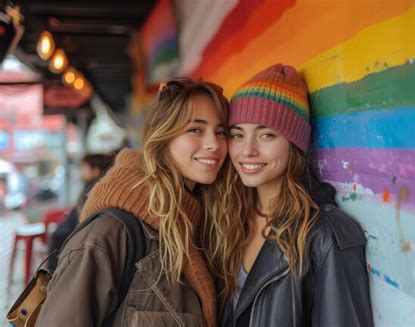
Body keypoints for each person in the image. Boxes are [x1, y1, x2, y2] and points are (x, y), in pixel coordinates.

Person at [36, 78, 229, 327]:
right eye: (195, 129)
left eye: (221, 132)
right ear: (162, 136)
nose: (214, 143)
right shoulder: (111, 234)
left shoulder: (200, 227)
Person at [202, 64, 373, 326]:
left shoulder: (327, 236)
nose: (247, 150)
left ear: (294, 143)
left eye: (266, 135)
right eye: (237, 134)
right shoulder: (230, 217)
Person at [47, 153, 114, 270]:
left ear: (96, 170)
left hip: (77, 232)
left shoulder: (94, 188)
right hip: (76, 227)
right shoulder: (93, 185)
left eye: (84, 168)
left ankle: (52, 277)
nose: (81, 172)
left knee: (57, 237)